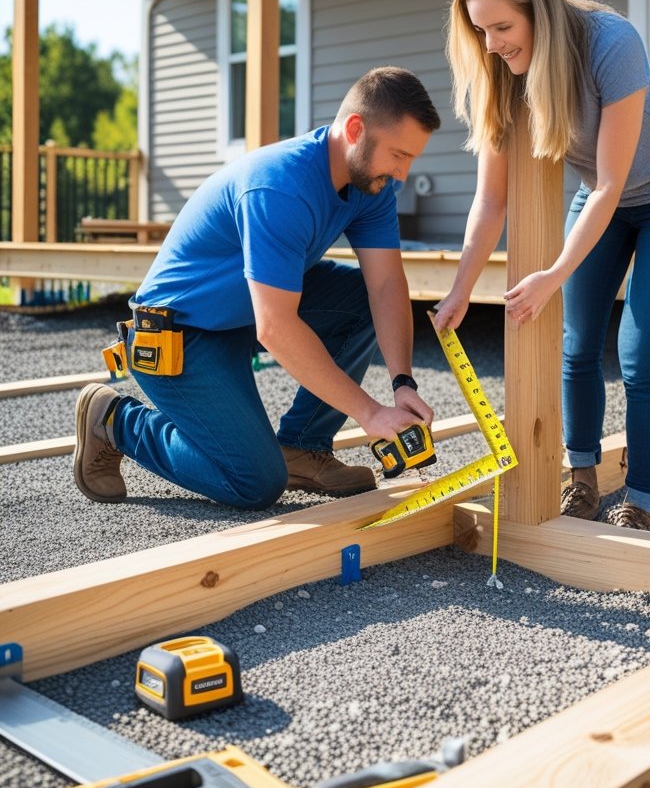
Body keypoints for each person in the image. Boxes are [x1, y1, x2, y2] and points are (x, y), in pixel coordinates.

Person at [432, 0, 650, 533]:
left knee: (639, 356)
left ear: (539, 11)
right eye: (481, 30)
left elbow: (613, 181)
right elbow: (492, 200)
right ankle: (581, 482)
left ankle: (641, 504)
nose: (491, 44)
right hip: (603, 199)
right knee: (577, 343)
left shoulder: (611, 43)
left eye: (502, 27)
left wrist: (553, 273)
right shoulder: (502, 71)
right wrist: (460, 288)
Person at [72, 67, 440, 508]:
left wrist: (403, 383)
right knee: (256, 482)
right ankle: (115, 421)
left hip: (241, 314)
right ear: (356, 129)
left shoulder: (371, 186)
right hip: (178, 335)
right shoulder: (281, 187)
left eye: (411, 160)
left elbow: (385, 287)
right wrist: (370, 413)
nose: (402, 174)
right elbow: (277, 328)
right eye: (398, 155)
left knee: (360, 298)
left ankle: (302, 447)